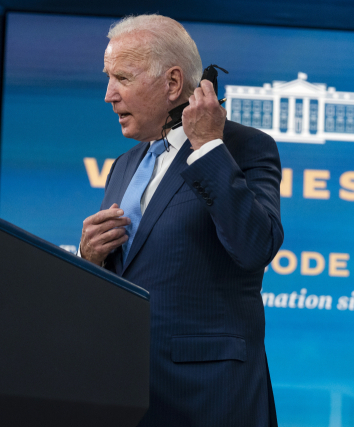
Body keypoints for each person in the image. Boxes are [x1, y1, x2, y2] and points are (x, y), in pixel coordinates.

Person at [78, 14, 284, 427]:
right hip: (126, 391)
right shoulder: (123, 165)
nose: (108, 95)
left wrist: (207, 145)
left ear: (173, 83)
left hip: (209, 398)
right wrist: (90, 257)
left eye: (122, 77)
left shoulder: (243, 147)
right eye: (108, 78)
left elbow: (256, 246)